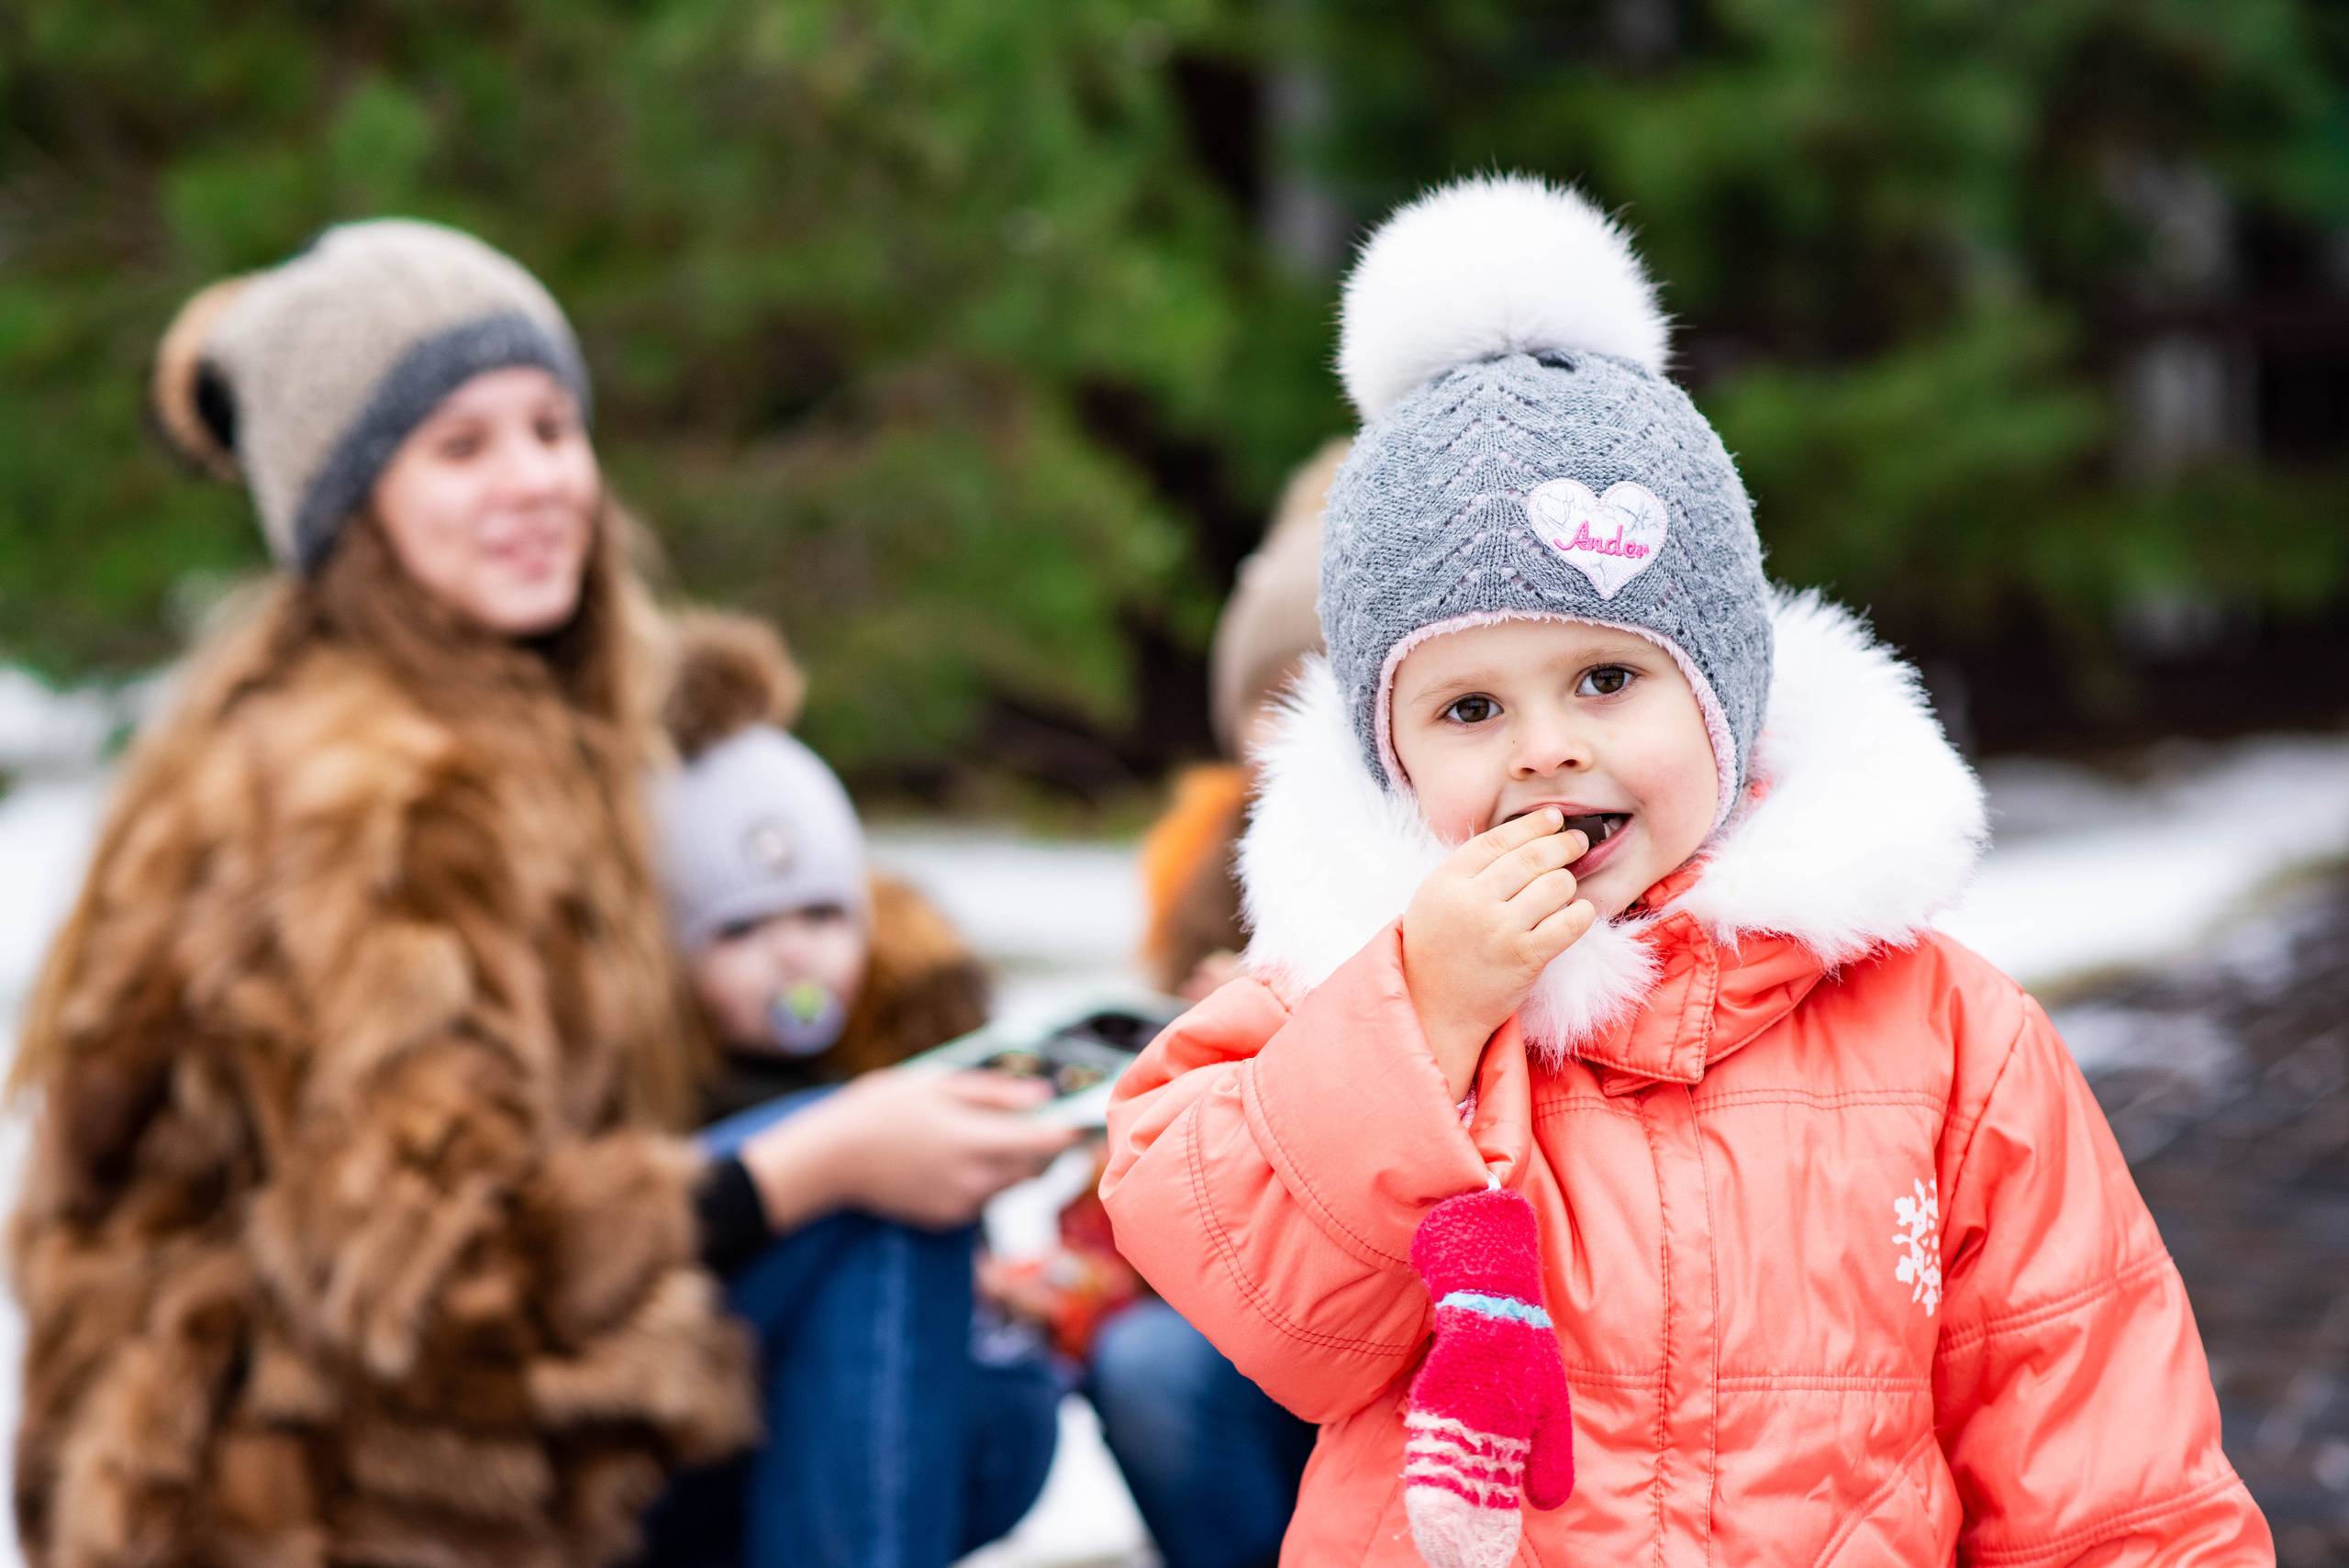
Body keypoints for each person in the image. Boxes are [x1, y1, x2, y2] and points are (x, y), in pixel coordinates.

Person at [1101, 175, 2272, 1566]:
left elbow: (2106, 1471)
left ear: (1722, 692)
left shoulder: (1949, 1036)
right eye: (1469, 709)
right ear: (1392, 760)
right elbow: (1252, 1285)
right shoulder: (1360, 992)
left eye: (1607, 678)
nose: (1546, 749)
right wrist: (1423, 1008)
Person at [9, 219, 756, 1568]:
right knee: (860, 1247)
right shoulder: (366, 798)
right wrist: (802, 1171)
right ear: (353, 510)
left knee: (949, 1332)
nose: (535, 481)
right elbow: (435, 1285)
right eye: (460, 448)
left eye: (550, 427)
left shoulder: (549, 731)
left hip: (459, 1445)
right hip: (296, 1499)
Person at [637, 617, 1073, 1567]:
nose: (793, 952)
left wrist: (987, 1297)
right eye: (741, 930)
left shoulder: (901, 1041)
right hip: (665, 1440)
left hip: (831, 1438)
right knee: (877, 1190)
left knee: (1014, 1390)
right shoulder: (640, 1076)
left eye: (821, 914)